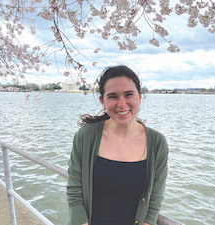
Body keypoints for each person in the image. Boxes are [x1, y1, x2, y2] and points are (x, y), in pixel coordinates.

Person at [67, 65, 169, 225]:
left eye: (129, 95)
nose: (122, 104)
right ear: (102, 101)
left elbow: (155, 199)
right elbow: (75, 190)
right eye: (113, 96)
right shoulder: (86, 136)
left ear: (140, 97)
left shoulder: (157, 143)